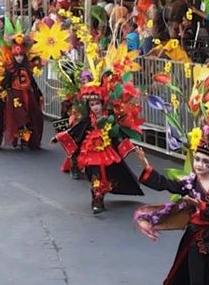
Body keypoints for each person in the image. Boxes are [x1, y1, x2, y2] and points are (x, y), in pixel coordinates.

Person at [134, 129, 209, 285]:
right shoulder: (190, 183)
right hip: (195, 238)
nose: (199, 165)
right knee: (195, 276)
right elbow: (166, 184)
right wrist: (147, 167)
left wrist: (199, 205)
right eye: (197, 159)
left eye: (205, 162)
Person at [56, 81, 144, 213]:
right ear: (89, 107)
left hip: (107, 151)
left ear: (102, 104)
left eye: (97, 103)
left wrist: (115, 129)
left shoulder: (109, 117)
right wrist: (58, 137)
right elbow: (75, 131)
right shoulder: (87, 121)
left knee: (109, 175)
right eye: (92, 105)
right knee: (94, 175)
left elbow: (117, 133)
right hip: (90, 153)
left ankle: (101, 195)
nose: (95, 107)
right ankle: (96, 199)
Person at [0, 21, 44, 149]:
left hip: (27, 94)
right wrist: (1, 91)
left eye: (21, 55)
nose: (19, 58)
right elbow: (6, 80)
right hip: (14, 95)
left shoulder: (27, 67)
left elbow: (32, 81)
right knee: (17, 117)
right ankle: (16, 138)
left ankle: (27, 139)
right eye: (16, 56)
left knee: (31, 115)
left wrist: (37, 92)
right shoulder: (10, 67)